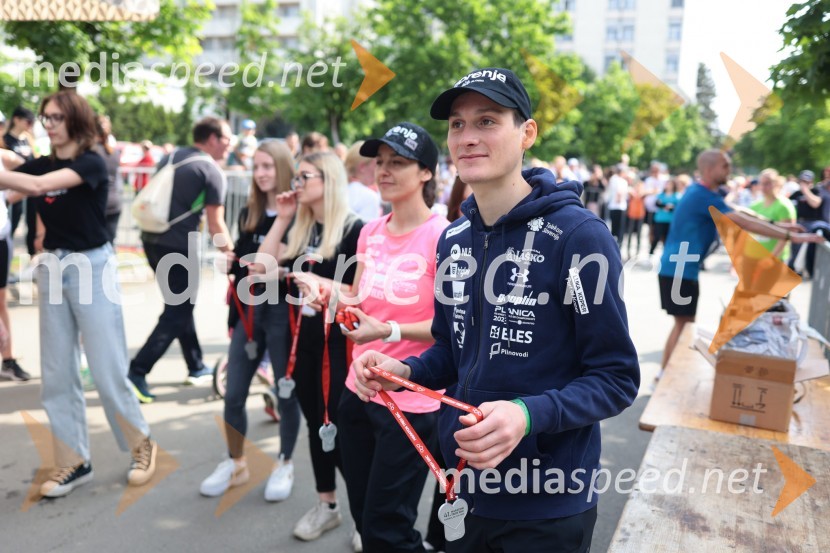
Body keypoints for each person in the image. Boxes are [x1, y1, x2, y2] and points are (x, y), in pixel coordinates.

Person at [353, 67, 640, 552]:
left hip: (548, 502)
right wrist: (402, 370)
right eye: (458, 125)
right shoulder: (455, 239)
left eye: (487, 121)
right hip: (462, 483)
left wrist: (526, 416)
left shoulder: (579, 237)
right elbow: (451, 351)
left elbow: (615, 378)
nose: (468, 137)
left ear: (527, 132)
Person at [0, 90, 157, 497]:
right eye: (44, 117)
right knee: (56, 373)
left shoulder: (92, 161)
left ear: (75, 120)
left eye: (55, 117)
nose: (47, 124)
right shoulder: (45, 160)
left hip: (91, 266)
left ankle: (141, 445)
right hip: (53, 266)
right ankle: (73, 461)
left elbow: (33, 184)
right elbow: (18, 172)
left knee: (106, 369)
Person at [335, 122, 449, 552]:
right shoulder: (370, 230)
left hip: (411, 399)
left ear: (425, 172)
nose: (383, 171)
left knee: (387, 528)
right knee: (366, 519)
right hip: (358, 391)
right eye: (380, 162)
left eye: (397, 163)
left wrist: (389, 329)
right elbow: (356, 300)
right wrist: (326, 296)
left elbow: (453, 324)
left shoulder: (443, 236)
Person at [257, 151, 363, 542]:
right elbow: (260, 267)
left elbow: (361, 293)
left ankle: (364, 514)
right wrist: (282, 218)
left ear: (327, 180)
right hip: (303, 345)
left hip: (340, 348)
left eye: (304, 178)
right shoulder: (300, 226)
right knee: (315, 426)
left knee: (340, 430)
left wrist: (321, 286)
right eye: (297, 178)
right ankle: (327, 505)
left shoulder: (355, 230)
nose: (295, 185)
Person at [199, 140, 302, 502]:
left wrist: (260, 265)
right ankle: (236, 462)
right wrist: (231, 261)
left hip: (285, 314)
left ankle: (285, 461)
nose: (260, 174)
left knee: (286, 394)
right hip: (250, 312)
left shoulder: (300, 215)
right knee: (234, 394)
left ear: (284, 169)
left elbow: (272, 265)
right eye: (256, 166)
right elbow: (247, 260)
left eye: (268, 167)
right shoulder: (250, 211)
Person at [657, 151, 825, 372]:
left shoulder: (705, 193)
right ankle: (665, 374)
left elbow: (740, 212)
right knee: (684, 325)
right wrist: (791, 236)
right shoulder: (701, 195)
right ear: (709, 169)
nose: (729, 169)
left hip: (681, 267)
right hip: (679, 268)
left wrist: (778, 224)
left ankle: (665, 373)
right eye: (724, 166)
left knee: (684, 324)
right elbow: (742, 221)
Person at [128, 117, 235, 403]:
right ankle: (136, 372)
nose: (229, 143)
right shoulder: (210, 171)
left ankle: (196, 365)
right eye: (226, 137)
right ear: (212, 139)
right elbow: (216, 226)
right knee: (177, 311)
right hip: (178, 247)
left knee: (179, 306)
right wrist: (233, 254)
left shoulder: (172, 156)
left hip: (152, 240)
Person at [0, 147, 29, 381]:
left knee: (1, 301)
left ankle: (8, 360)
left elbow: (31, 176)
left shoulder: (3, 156)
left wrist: (7, 197)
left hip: (1, 236)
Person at [3, 106, 38, 256]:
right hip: (11, 190)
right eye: (28, 122)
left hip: (29, 190)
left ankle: (33, 258)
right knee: (10, 225)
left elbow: (35, 162)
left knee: (32, 225)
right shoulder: (4, 140)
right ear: (16, 120)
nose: (30, 126)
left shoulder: (28, 140)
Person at [93, 115, 122, 243]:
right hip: (114, 202)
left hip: (97, 203)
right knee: (110, 245)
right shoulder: (114, 152)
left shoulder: (91, 154)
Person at [344, 141, 381, 222]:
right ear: (362, 167)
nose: (380, 169)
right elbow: (368, 232)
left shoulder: (339, 189)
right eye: (378, 163)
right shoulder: (369, 196)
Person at [649, 177, 680, 256]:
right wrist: (665, 206)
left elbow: (678, 207)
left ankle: (666, 254)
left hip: (670, 220)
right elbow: (657, 203)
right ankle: (651, 253)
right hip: (660, 219)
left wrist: (670, 207)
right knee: (656, 237)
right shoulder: (661, 195)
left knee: (667, 238)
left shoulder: (677, 196)